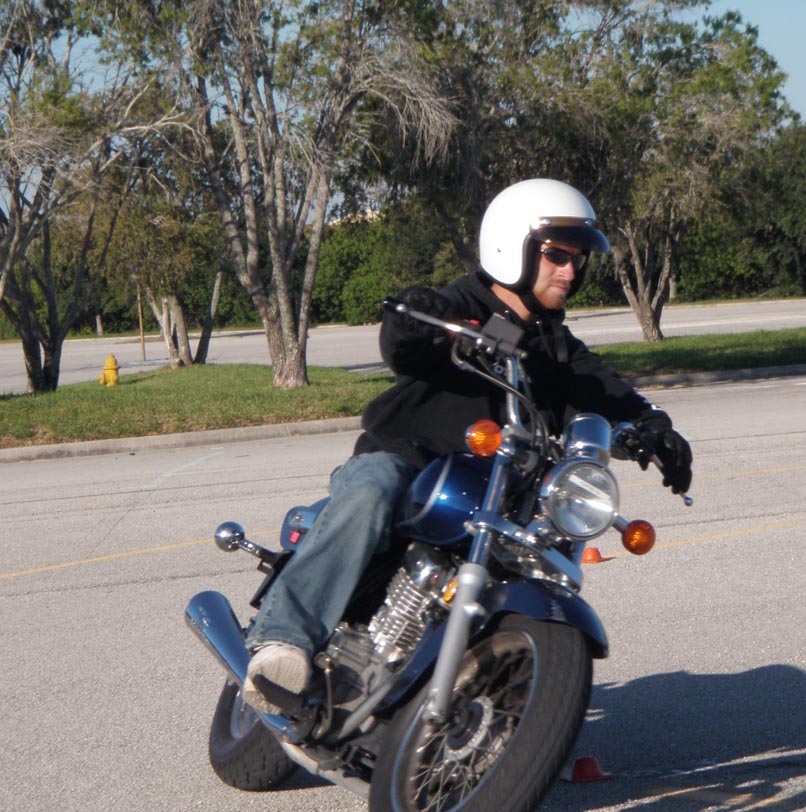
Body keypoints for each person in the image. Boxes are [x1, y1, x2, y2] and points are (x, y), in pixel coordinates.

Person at [242, 178, 692, 714]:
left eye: (577, 259)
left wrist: (655, 428)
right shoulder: (457, 305)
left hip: (496, 491)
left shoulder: (554, 345)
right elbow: (403, 345)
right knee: (371, 491)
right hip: (408, 461)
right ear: (513, 247)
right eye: (556, 256)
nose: (570, 271)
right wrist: (415, 316)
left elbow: (608, 390)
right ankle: (282, 642)